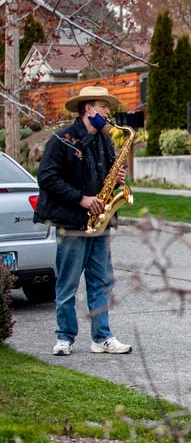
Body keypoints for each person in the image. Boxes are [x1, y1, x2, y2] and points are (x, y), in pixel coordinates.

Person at [34, 85, 132, 356]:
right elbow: (47, 178)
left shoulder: (104, 141)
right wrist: (82, 199)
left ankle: (102, 337)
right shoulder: (62, 139)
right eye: (103, 107)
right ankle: (64, 337)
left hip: (99, 221)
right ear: (88, 109)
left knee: (101, 280)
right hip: (73, 221)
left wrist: (117, 180)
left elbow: (107, 181)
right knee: (67, 282)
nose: (108, 112)